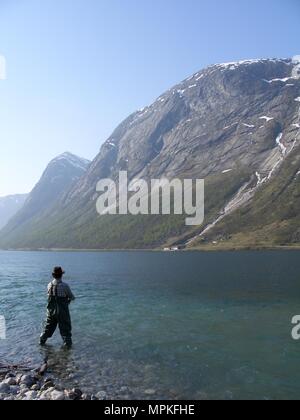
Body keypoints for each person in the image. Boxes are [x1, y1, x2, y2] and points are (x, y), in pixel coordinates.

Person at [40, 267, 75, 348]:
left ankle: (41, 343)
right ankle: (67, 349)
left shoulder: (49, 285)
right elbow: (72, 297)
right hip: (62, 312)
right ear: (61, 275)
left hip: (51, 311)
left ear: (53, 275)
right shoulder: (65, 286)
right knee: (65, 330)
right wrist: (67, 302)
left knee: (47, 328)